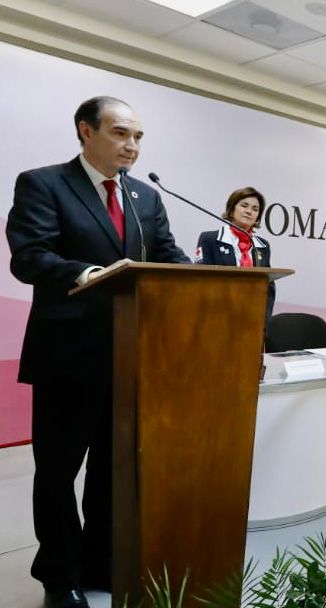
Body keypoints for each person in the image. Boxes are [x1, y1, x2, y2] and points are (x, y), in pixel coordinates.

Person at [6, 96, 189, 608]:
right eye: (120, 133)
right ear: (86, 131)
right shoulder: (44, 183)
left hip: (130, 357)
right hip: (67, 356)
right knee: (58, 473)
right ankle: (59, 575)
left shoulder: (145, 197)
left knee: (112, 470)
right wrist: (87, 274)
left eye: (138, 137)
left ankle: (99, 561)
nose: (131, 146)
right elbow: (30, 256)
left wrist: (201, 278)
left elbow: (167, 255)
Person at [195, 186, 275, 322]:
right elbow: (202, 282)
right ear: (232, 209)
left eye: (255, 209)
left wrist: (264, 321)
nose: (249, 211)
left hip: (252, 320)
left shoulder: (262, 246)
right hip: (216, 318)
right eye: (244, 206)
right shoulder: (210, 239)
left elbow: (269, 287)